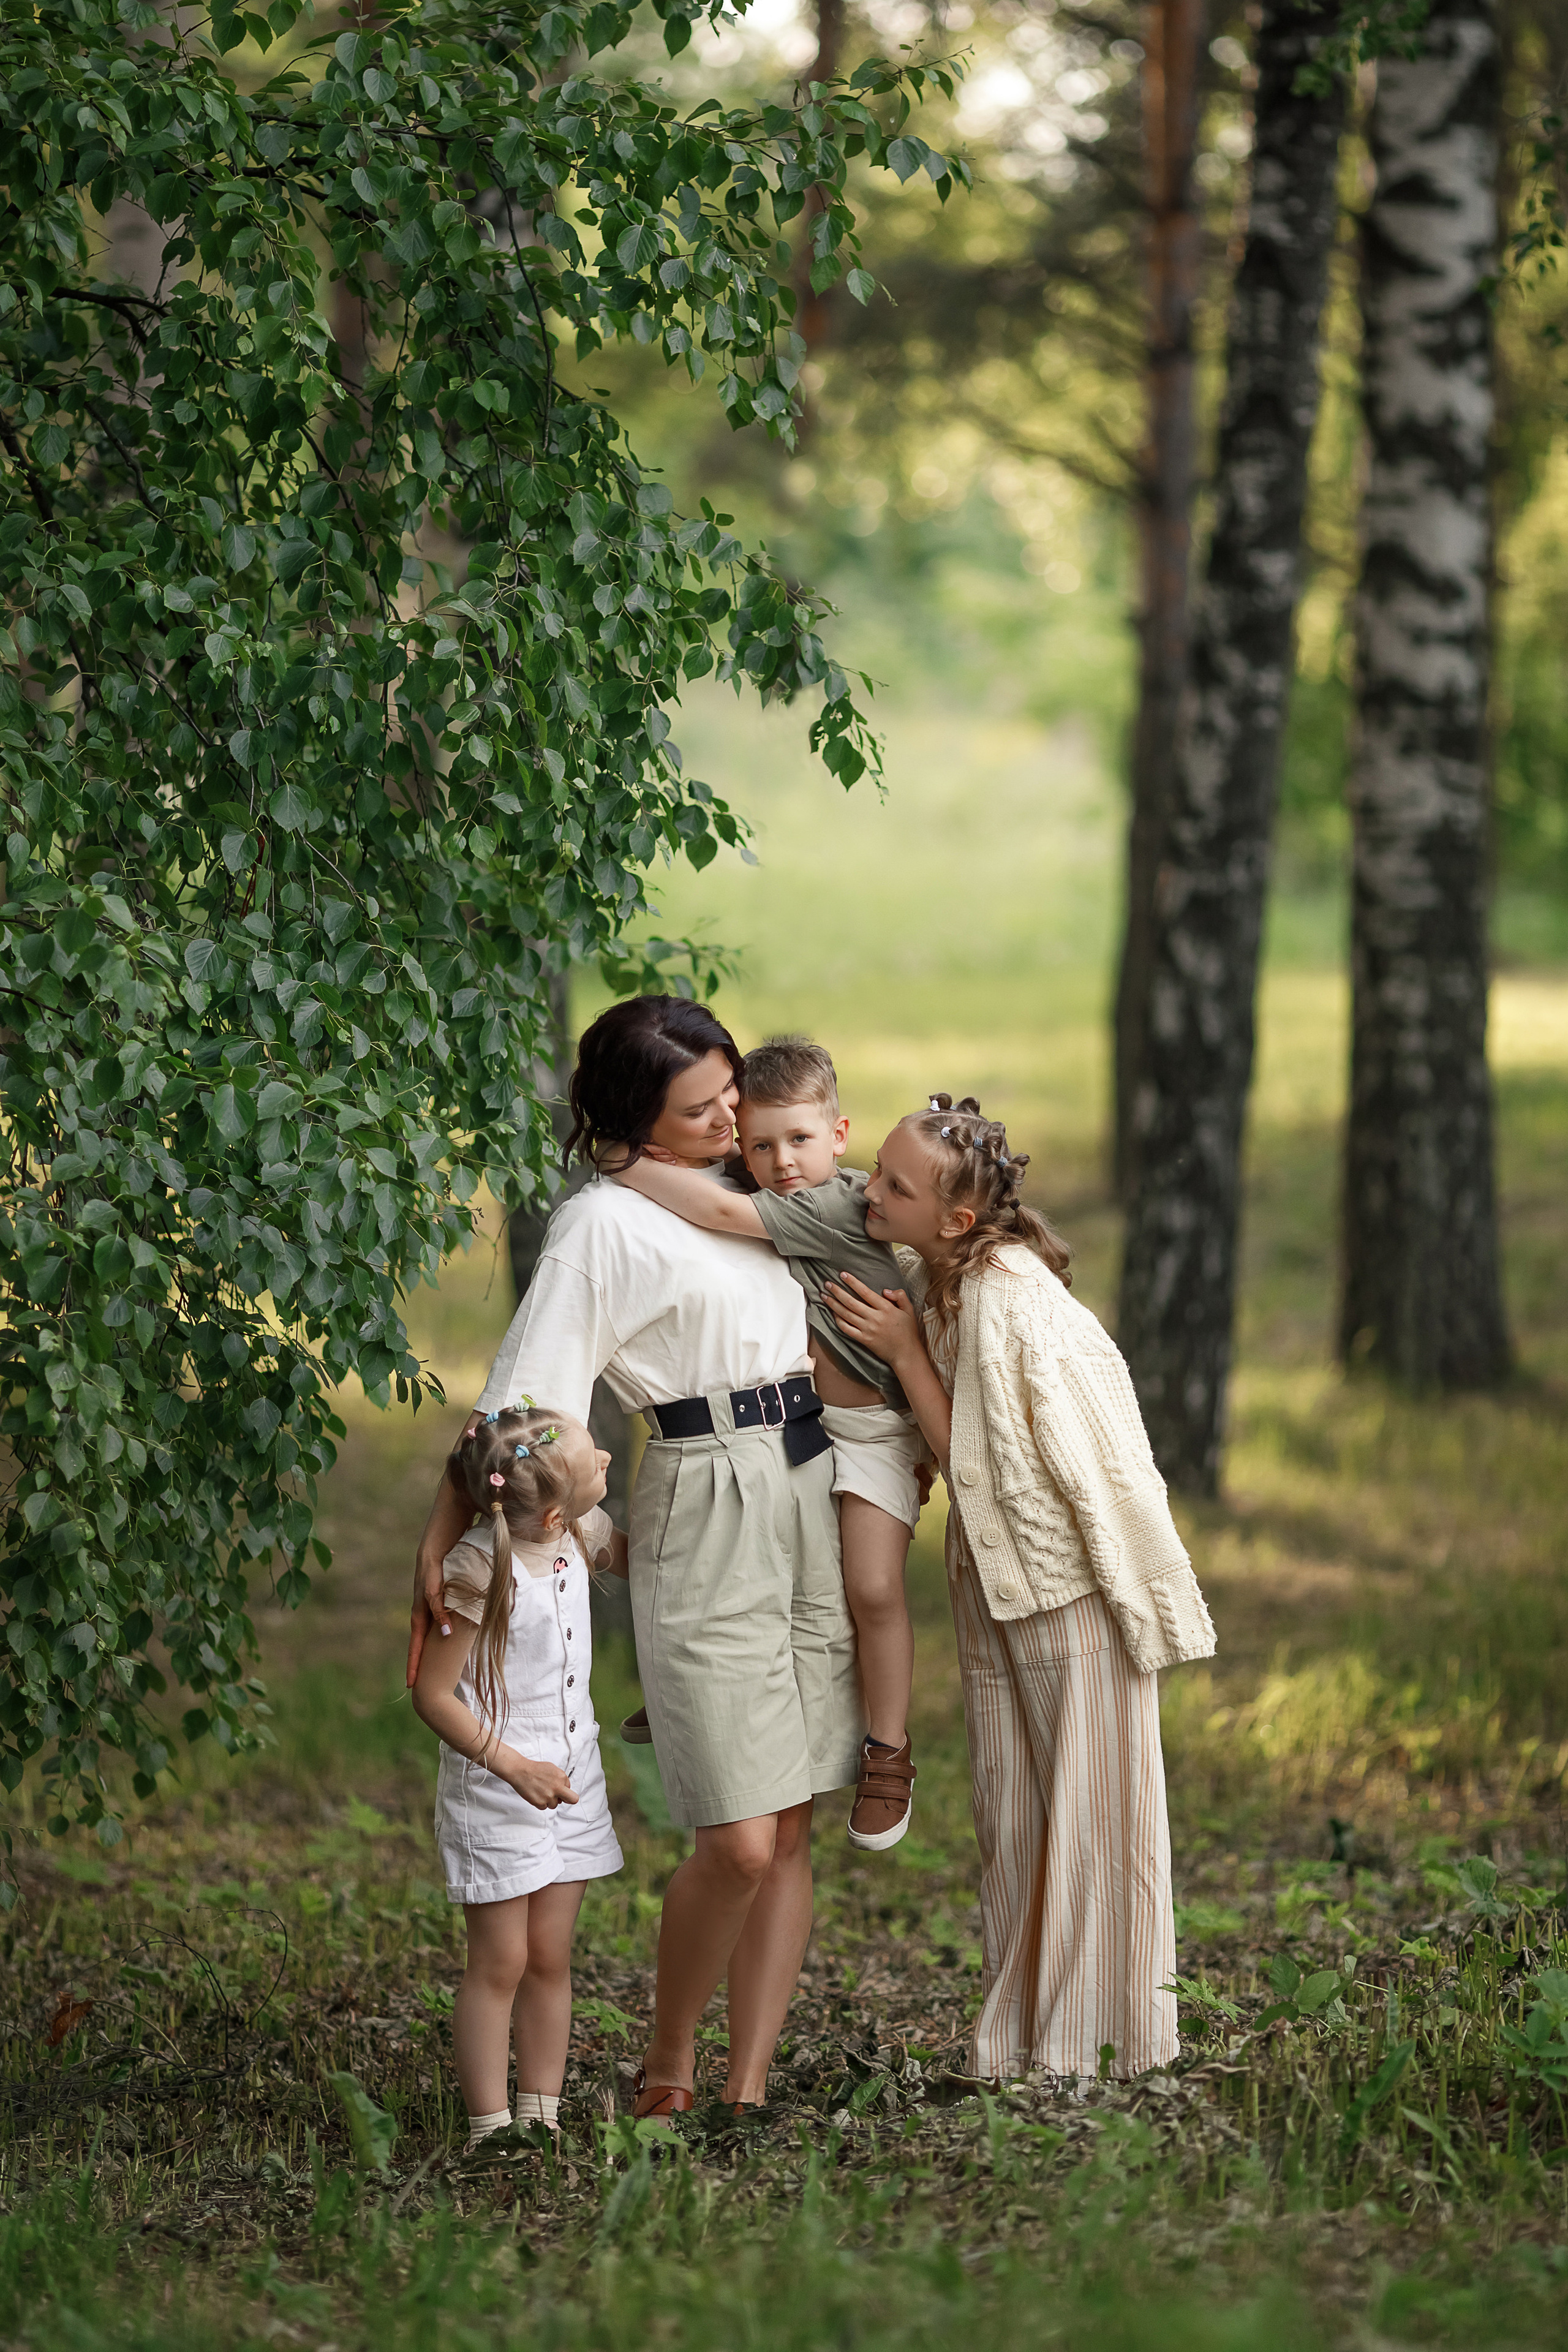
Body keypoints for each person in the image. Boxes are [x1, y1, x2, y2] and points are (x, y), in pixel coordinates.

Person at [407, 996, 862, 2122]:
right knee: (739, 1838)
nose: (731, 1122)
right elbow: (524, 1407)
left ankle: (744, 2087)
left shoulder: (765, 1182)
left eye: (732, 1096)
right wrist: (449, 1536)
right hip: (705, 1495)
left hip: (813, 1481)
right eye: (700, 1111)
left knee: (792, 1824)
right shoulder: (600, 1227)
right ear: (633, 1119)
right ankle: (668, 2063)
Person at [821, 1093, 1217, 2084]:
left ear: (956, 1217)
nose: (873, 1194)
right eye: (877, 1172)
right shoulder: (948, 1277)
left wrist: (905, 1355)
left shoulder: (1005, 1297)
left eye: (896, 1187)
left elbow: (990, 1466)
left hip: (1065, 1590)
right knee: (1016, 1820)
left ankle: (1098, 2049)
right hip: (1002, 1591)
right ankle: (1021, 2043)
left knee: (1093, 1824)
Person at [612, 1035, 929, 1851]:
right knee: (769, 1578)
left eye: (798, 1140)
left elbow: (718, 1210)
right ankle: (696, 1697)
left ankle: (888, 1750)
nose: (781, 1162)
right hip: (803, 1431)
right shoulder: (790, 1187)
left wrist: (621, 1158)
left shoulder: (826, 1206)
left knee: (872, 1588)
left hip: (873, 1435)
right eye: (759, 1146)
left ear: (839, 1134)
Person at [410, 1406, 626, 2154]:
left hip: (574, 1774)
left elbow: (649, 1557)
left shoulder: (579, 1532)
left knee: (550, 1957)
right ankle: (490, 2130)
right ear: (555, 1512)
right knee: (501, 1961)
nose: (607, 1458)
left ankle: (541, 2117)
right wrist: (512, 1767)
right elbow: (433, 1696)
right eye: (594, 1459)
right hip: (497, 1786)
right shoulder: (478, 1569)